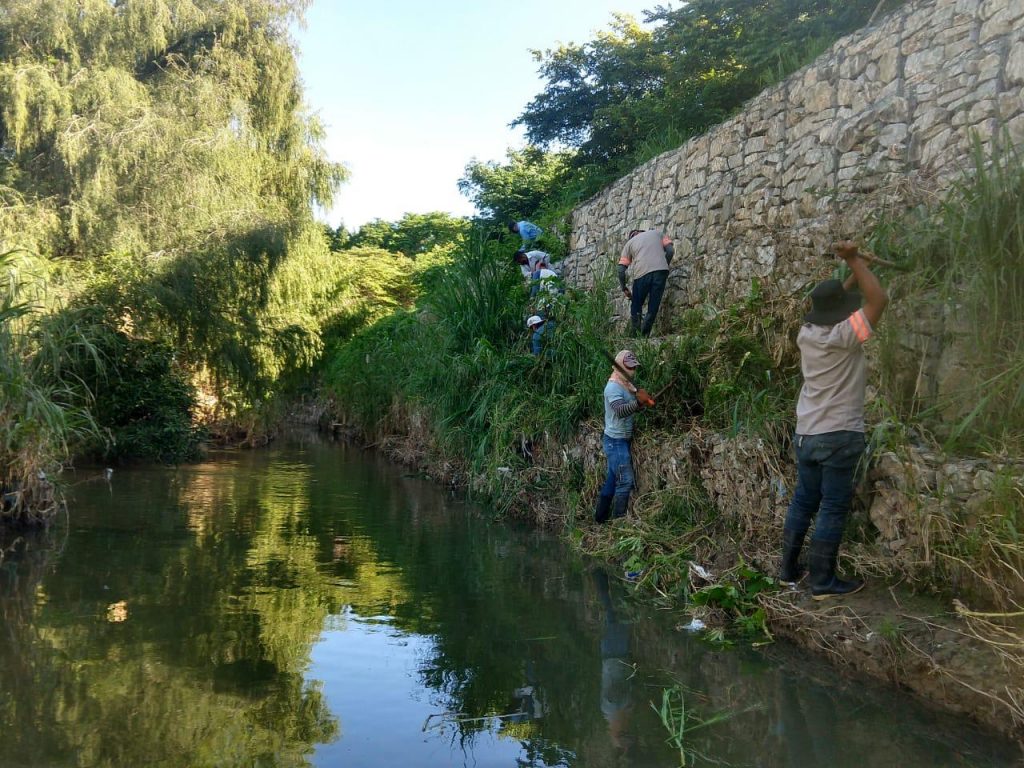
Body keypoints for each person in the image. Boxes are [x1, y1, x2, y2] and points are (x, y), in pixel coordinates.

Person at [779, 241, 888, 600]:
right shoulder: (845, 336)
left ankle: (788, 570)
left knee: (804, 500)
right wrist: (855, 260)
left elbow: (833, 300)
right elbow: (879, 301)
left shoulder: (806, 334)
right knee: (832, 505)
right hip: (838, 433)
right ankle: (823, 580)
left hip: (807, 433)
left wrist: (852, 271)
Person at [595, 350, 654, 523]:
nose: (632, 371)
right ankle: (619, 521)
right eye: (629, 367)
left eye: (634, 367)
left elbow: (633, 407)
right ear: (620, 367)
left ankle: (600, 520)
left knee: (612, 481)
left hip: (624, 439)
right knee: (625, 481)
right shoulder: (613, 387)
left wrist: (644, 401)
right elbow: (621, 411)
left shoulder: (627, 385)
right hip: (615, 441)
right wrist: (638, 402)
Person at [618, 228, 674, 337]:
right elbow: (670, 251)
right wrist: (664, 265)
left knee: (636, 305)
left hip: (641, 274)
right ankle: (644, 336)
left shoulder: (629, 243)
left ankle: (636, 336)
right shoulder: (657, 233)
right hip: (661, 271)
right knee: (653, 305)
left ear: (632, 236)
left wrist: (623, 287)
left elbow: (621, 270)